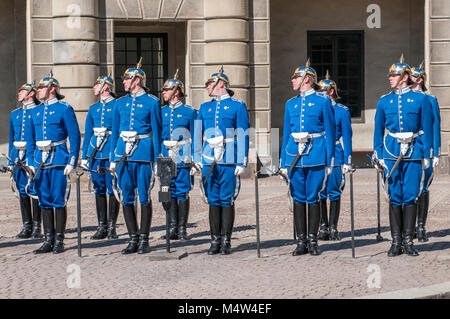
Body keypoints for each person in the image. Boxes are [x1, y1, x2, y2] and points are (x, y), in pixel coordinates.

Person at [373, 55, 433, 256]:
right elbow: (378, 130)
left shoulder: (421, 99)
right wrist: (378, 153)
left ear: (405, 77)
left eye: (394, 75)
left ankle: (408, 241)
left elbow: (427, 129)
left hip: (414, 150)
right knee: (394, 196)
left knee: (410, 195)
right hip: (391, 151)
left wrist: (426, 154)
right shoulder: (384, 101)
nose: (390, 78)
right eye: (390, 75)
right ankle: (395, 241)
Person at [279, 60, 336, 256]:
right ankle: (301, 241)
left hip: (316, 154)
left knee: (313, 197)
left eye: (296, 77)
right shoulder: (291, 103)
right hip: (294, 156)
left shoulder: (323, 101)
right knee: (298, 198)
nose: (292, 80)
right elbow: (287, 133)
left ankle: (313, 241)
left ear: (306, 80)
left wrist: (330, 161)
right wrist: (283, 163)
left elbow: (330, 131)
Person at [192, 66, 250, 255]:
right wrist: (196, 157)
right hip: (209, 157)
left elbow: (242, 134)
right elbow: (197, 132)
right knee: (212, 200)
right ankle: (214, 239)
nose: (207, 87)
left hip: (229, 156)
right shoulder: (205, 107)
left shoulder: (237, 105)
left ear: (220, 84)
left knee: (226, 200)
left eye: (210, 83)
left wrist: (241, 160)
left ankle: (226, 240)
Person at [109, 59, 161, 254]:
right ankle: (133, 238)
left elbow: (156, 132)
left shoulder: (152, 102)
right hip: (123, 154)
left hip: (143, 153)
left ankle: (145, 239)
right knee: (126, 196)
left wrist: (156, 160)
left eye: (126, 78)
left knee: (145, 196)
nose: (123, 82)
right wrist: (114, 158)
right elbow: (115, 132)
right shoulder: (120, 103)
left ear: (137, 80)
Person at [26, 71, 81, 254]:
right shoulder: (35, 111)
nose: (38, 91)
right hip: (40, 162)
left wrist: (72, 160)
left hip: (58, 158)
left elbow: (74, 137)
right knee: (44, 200)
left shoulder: (64, 109)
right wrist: (31, 162)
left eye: (41, 88)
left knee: (58, 200)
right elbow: (30, 140)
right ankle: (48, 239)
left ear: (52, 89)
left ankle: (59, 240)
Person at [80, 75, 119, 240]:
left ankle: (112, 227)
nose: (93, 87)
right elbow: (88, 133)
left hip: (110, 150)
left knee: (112, 189)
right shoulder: (93, 108)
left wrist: (115, 156)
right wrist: (84, 156)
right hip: (95, 153)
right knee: (99, 189)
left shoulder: (117, 105)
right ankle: (101, 226)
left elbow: (118, 132)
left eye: (96, 84)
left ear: (105, 87)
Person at [160, 70, 197, 240]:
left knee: (182, 192)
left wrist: (195, 157)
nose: (163, 93)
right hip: (165, 155)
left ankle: (182, 228)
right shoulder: (161, 111)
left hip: (182, 154)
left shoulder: (190, 111)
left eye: (166, 90)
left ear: (176, 92)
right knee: (166, 191)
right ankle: (171, 227)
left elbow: (196, 135)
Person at [317, 71, 353, 241]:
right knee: (320, 192)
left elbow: (347, 136)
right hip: (319, 153)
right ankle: (323, 226)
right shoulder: (316, 107)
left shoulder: (342, 111)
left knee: (334, 191)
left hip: (336, 154)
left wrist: (348, 160)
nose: (319, 94)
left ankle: (333, 226)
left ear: (331, 91)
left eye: (322, 91)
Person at [410, 62, 441, 242]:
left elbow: (435, 126)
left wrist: (435, 152)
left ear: (420, 80)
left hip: (424, 148)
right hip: (408, 149)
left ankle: (421, 226)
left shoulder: (430, 100)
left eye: (412, 79)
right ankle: (409, 227)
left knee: (423, 187)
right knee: (408, 189)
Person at [8, 82, 41, 239]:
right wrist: (10, 161)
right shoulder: (14, 114)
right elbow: (11, 139)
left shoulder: (39, 111)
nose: (18, 94)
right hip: (18, 158)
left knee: (34, 191)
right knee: (22, 191)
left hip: (32, 156)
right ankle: (26, 225)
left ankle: (37, 226)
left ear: (30, 94)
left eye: (21, 91)